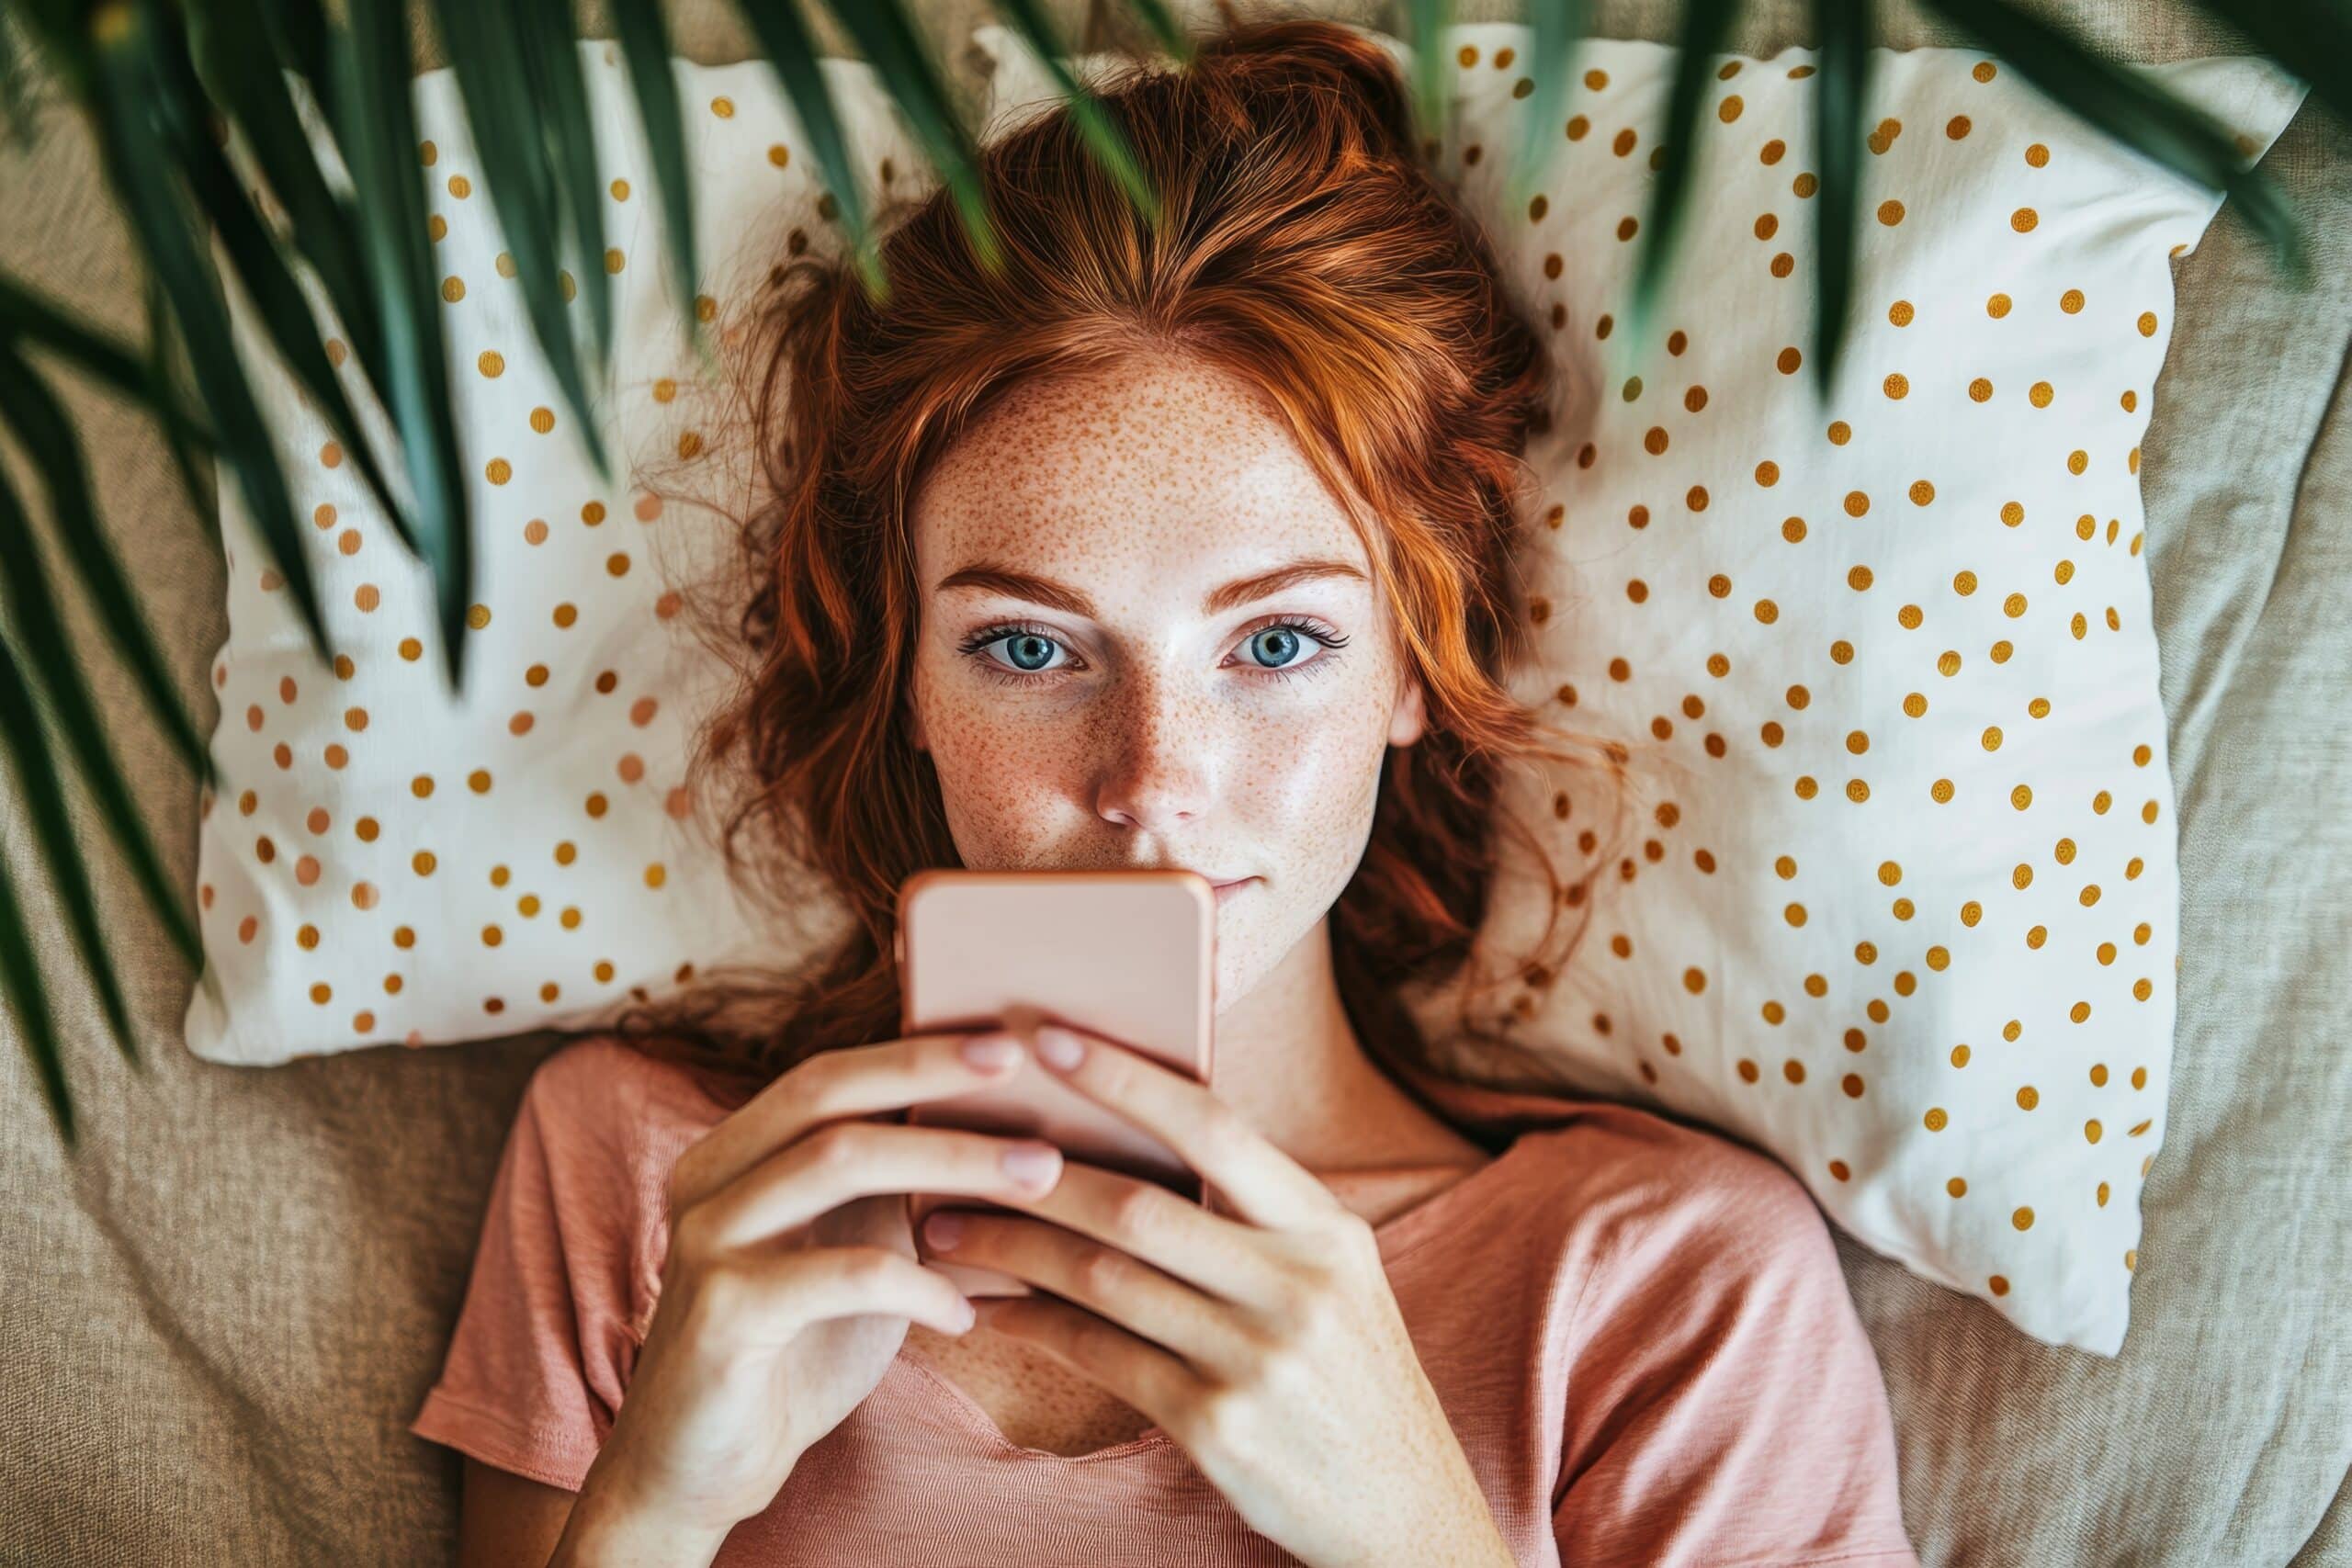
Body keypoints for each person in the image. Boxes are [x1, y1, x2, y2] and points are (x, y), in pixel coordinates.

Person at [409, 16, 1919, 1567]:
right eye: (1026, 645)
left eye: (1276, 641)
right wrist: (655, 1509)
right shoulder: (657, 1185)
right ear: (910, 687)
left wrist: (1423, 1538)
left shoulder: (1663, 1291)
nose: (1150, 782)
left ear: (1414, 665)